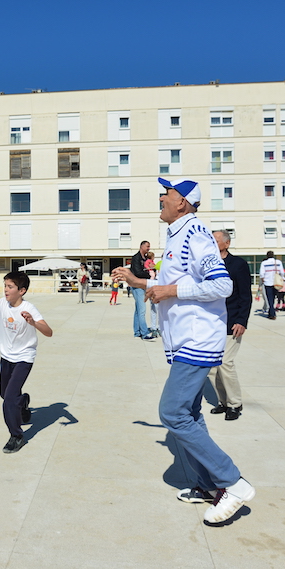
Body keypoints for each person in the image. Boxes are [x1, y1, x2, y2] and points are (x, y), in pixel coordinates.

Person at [113, 178, 254, 524]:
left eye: (168, 193)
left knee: (173, 413)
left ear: (184, 203)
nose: (162, 197)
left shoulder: (196, 234)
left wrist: (170, 291)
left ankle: (232, 481)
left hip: (198, 339)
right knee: (190, 415)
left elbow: (221, 284)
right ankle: (207, 485)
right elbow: (172, 283)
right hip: (183, 340)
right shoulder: (176, 234)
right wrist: (141, 282)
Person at [0, 269, 53, 453]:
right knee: (5, 394)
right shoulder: (1, 304)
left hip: (24, 358)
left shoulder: (29, 308)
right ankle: (23, 403)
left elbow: (48, 332)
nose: (5, 290)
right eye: (5, 286)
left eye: (10, 287)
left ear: (21, 291)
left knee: (8, 400)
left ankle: (17, 436)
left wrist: (33, 323)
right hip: (6, 358)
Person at [207, 230, 252, 421]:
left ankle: (235, 403)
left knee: (225, 363)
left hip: (232, 322)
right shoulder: (208, 265)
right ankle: (223, 402)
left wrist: (242, 321)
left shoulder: (238, 265)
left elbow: (245, 295)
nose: (213, 244)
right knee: (211, 367)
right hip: (211, 323)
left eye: (216, 241)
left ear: (227, 243)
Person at [130, 240, 155, 339]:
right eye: (147, 246)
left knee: (138, 310)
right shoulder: (136, 258)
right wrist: (148, 274)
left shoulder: (145, 258)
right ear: (142, 246)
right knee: (142, 310)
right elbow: (137, 272)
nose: (148, 248)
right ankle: (144, 333)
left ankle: (137, 332)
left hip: (142, 285)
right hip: (137, 286)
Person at [259, 251, 284, 320]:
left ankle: (272, 314)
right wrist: (281, 279)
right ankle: (270, 313)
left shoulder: (264, 263)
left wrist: (263, 279)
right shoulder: (278, 262)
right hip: (276, 282)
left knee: (269, 298)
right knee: (273, 298)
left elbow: (261, 273)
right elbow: (282, 272)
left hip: (268, 282)